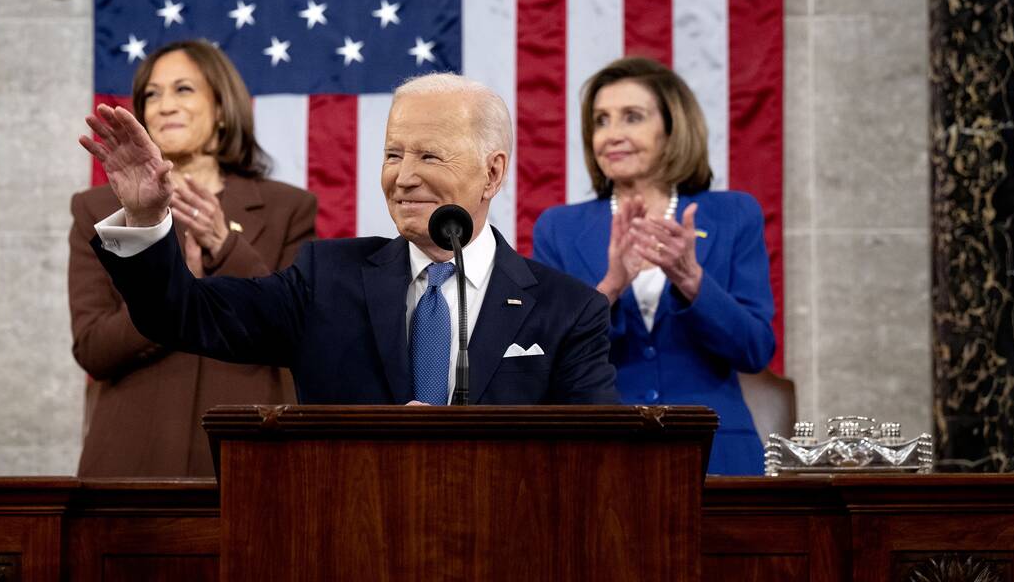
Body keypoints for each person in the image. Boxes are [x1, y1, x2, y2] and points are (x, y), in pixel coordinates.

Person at [79, 73, 619, 406]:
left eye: (429, 156)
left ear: (492, 174)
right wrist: (147, 215)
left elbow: (595, 462)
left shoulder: (568, 311)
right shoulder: (325, 280)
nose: (403, 176)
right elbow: (182, 315)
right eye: (392, 154)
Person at [69, 39, 316, 476]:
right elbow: (93, 349)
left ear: (221, 108)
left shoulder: (288, 208)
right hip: (133, 464)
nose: (165, 106)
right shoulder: (97, 210)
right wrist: (169, 296)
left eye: (183, 89)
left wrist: (227, 246)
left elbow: (297, 333)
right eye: (152, 94)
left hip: (252, 458)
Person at [532, 57, 775, 475]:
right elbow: (546, 356)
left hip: (716, 454)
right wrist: (610, 286)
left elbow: (755, 350)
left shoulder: (734, 214)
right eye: (601, 121)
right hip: (603, 455)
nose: (612, 135)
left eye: (632, 117)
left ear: (671, 128)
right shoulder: (558, 228)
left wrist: (692, 281)